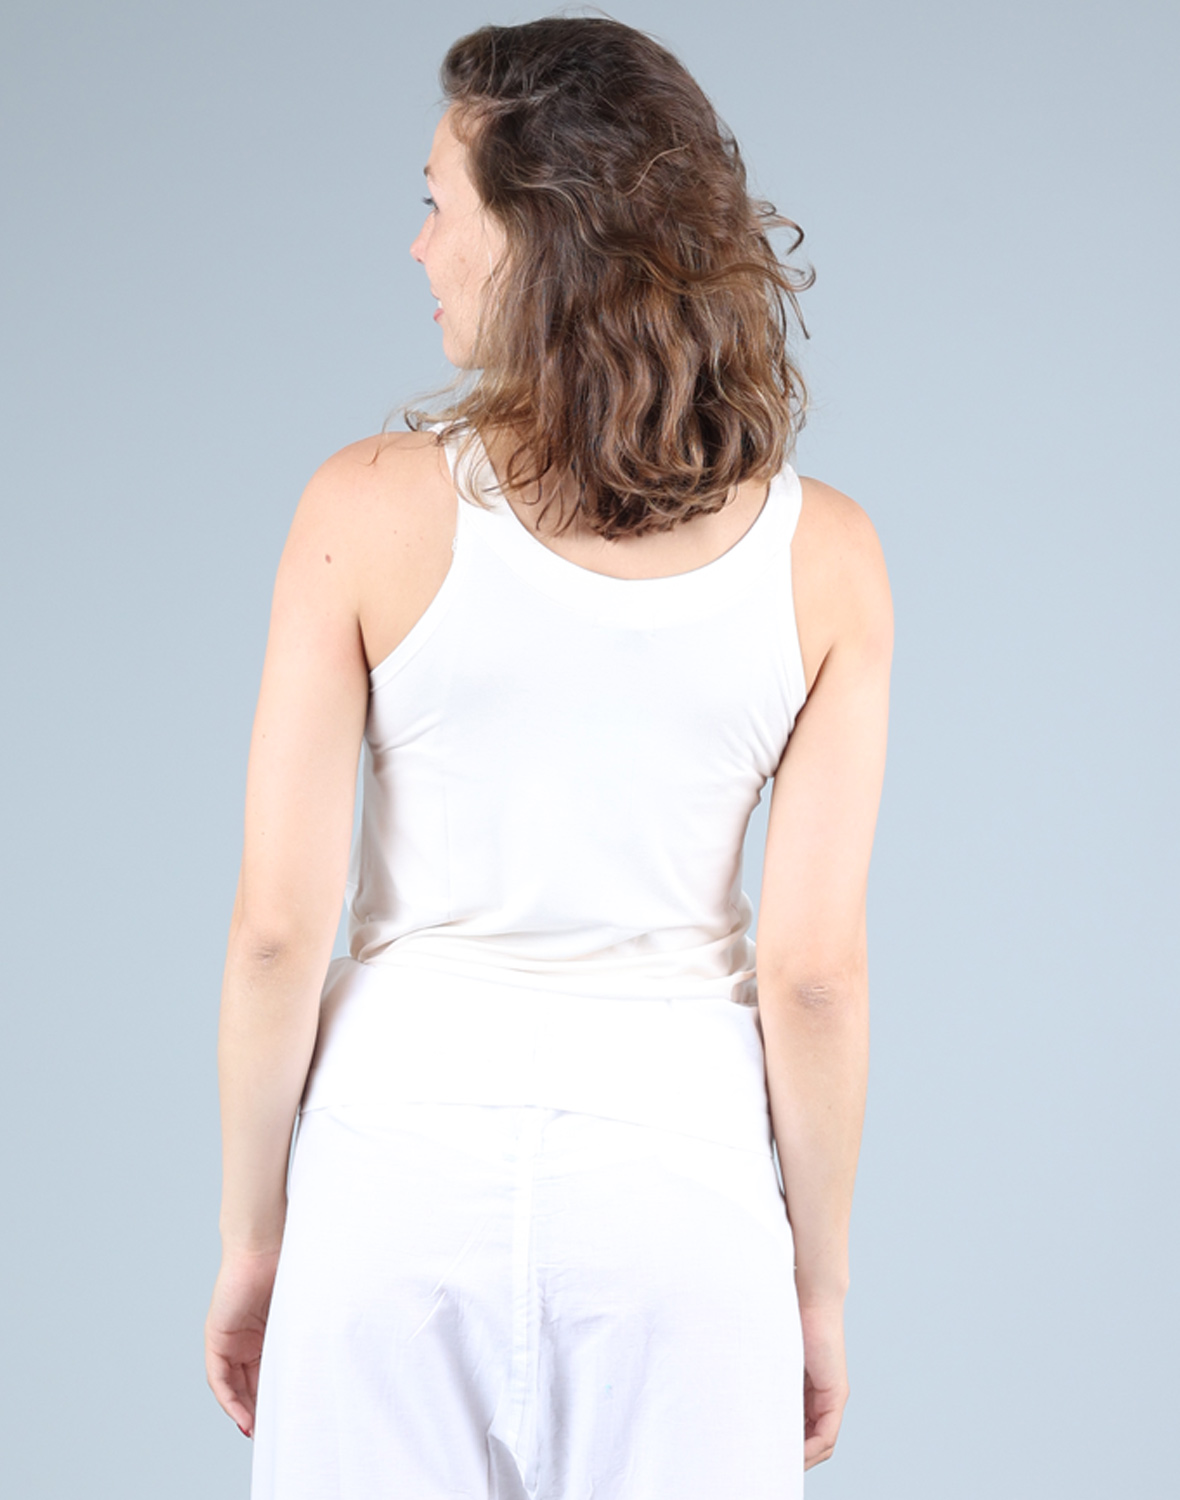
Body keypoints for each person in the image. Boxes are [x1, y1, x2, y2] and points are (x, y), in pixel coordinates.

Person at [204, 15, 892, 1500]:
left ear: (535, 235)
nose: (417, 245)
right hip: (679, 1188)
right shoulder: (829, 558)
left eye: (438, 202)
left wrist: (257, 1239)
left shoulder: (359, 510)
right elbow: (815, 978)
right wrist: (816, 1285)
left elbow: (274, 935)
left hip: (394, 1171)